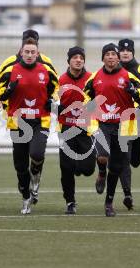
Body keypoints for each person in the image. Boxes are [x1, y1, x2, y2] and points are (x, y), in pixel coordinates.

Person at [83, 43, 140, 217]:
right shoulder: (95, 78)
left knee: (117, 167)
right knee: (103, 155)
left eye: (114, 54)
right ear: (103, 58)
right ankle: (101, 172)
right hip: (102, 124)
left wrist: (134, 92)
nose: (111, 57)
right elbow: (85, 98)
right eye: (108, 54)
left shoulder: (128, 76)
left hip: (123, 126)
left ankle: (109, 202)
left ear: (118, 57)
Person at [0, 37, 58, 214]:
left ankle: (35, 181)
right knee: (20, 166)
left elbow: (57, 88)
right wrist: (8, 92)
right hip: (18, 121)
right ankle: (26, 196)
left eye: (32, 52)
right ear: (21, 52)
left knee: (37, 153)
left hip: (40, 120)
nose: (29, 55)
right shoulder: (10, 70)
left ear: (38, 54)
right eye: (26, 52)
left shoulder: (46, 70)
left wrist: (52, 100)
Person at [57, 46, 96, 215]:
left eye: (81, 57)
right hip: (66, 129)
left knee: (87, 169)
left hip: (86, 130)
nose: (78, 60)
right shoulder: (60, 80)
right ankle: (70, 202)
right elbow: (52, 101)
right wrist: (56, 108)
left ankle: (80, 166)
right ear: (69, 61)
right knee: (66, 167)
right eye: (75, 57)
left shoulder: (91, 79)